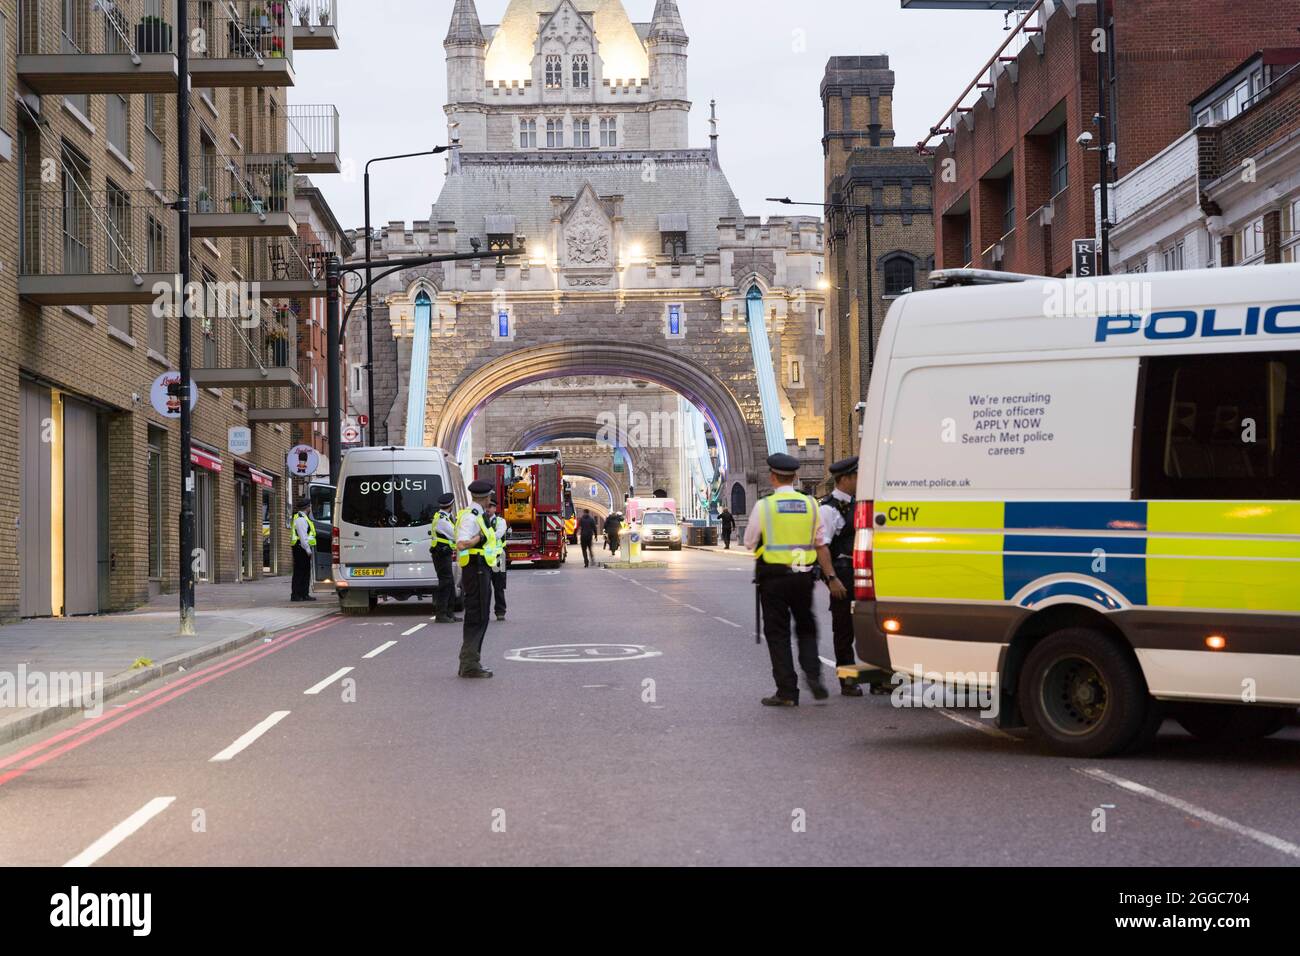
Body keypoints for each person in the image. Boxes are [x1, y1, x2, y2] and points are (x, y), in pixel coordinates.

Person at [743, 454, 847, 707]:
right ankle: (813, 674)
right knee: (806, 627)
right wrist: (831, 576)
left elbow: (749, 542)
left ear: (773, 476)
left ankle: (787, 691)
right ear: (795, 477)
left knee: (777, 634)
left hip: (774, 578)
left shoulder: (765, 506)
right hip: (803, 577)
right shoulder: (811, 504)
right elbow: (821, 546)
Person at [819, 457, 884, 696]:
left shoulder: (860, 504)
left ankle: (878, 680)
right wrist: (831, 578)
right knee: (844, 631)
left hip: (864, 572)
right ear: (844, 479)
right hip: (844, 574)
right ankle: (847, 681)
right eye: (856, 476)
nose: (860, 480)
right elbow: (822, 547)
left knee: (871, 626)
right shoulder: (828, 509)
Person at [455, 480, 500, 679]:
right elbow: (462, 544)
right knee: (477, 616)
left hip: (481, 569)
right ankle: (469, 664)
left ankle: (470, 660)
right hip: (476, 570)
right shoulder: (471, 517)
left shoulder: (479, 516)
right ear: (486, 497)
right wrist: (479, 538)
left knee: (480, 615)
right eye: (490, 496)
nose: (491, 499)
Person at [430, 492, 460, 624]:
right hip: (441, 554)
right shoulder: (442, 520)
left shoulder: (445, 517)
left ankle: (449, 613)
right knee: (445, 583)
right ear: (451, 505)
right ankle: (441, 614)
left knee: (449, 582)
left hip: (444, 553)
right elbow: (455, 535)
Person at [486, 496, 509, 622]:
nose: (488, 509)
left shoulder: (500, 521)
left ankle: (500, 611)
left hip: (498, 557)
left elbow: (498, 535)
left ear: (495, 508)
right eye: (486, 507)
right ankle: (484, 612)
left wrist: (482, 535)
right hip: (484, 557)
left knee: (498, 586)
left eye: (490, 507)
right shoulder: (481, 520)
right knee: (485, 587)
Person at [290, 499, 317, 602]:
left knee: (305, 572)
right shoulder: (301, 519)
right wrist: (308, 550)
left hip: (301, 548)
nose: (310, 508)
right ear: (307, 507)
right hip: (301, 548)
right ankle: (296, 595)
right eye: (310, 506)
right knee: (300, 572)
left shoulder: (303, 517)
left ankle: (304, 594)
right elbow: (303, 537)